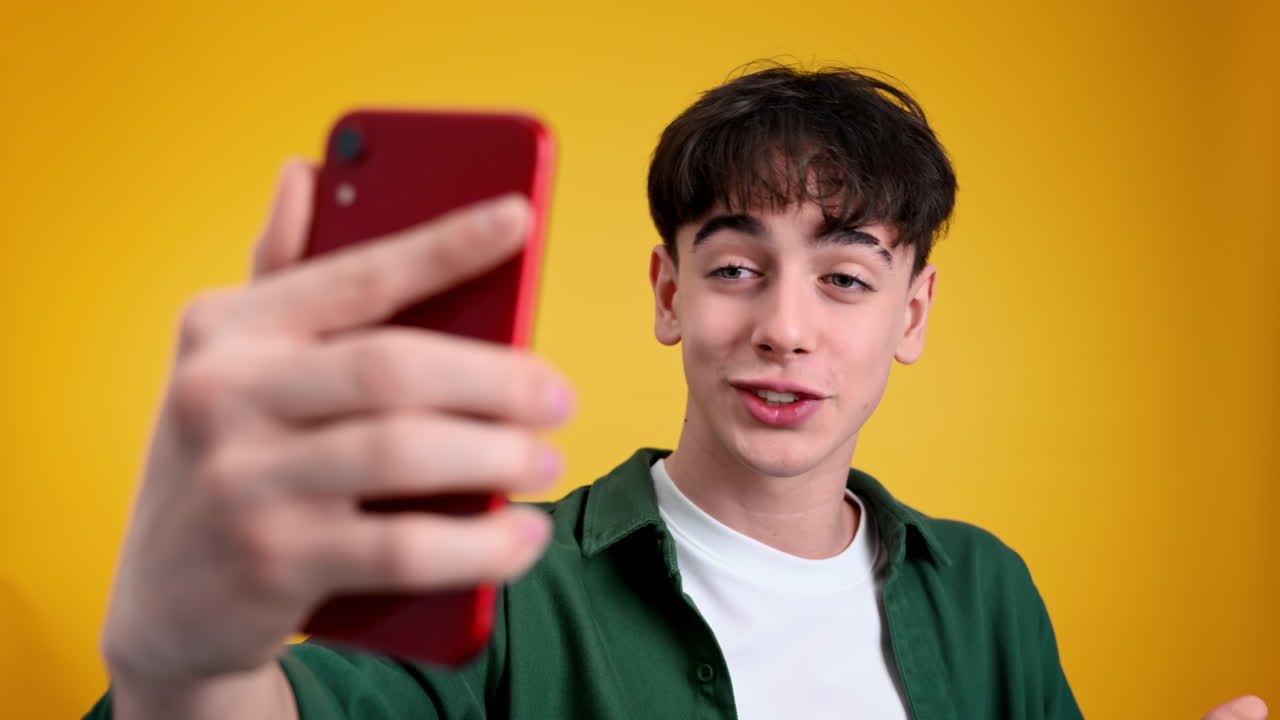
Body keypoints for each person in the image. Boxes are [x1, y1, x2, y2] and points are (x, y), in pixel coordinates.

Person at [84, 65, 1266, 720]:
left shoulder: (988, 594)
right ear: (667, 292)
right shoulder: (502, 582)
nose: (781, 328)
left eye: (845, 277)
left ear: (909, 316)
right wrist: (178, 669)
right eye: (735, 268)